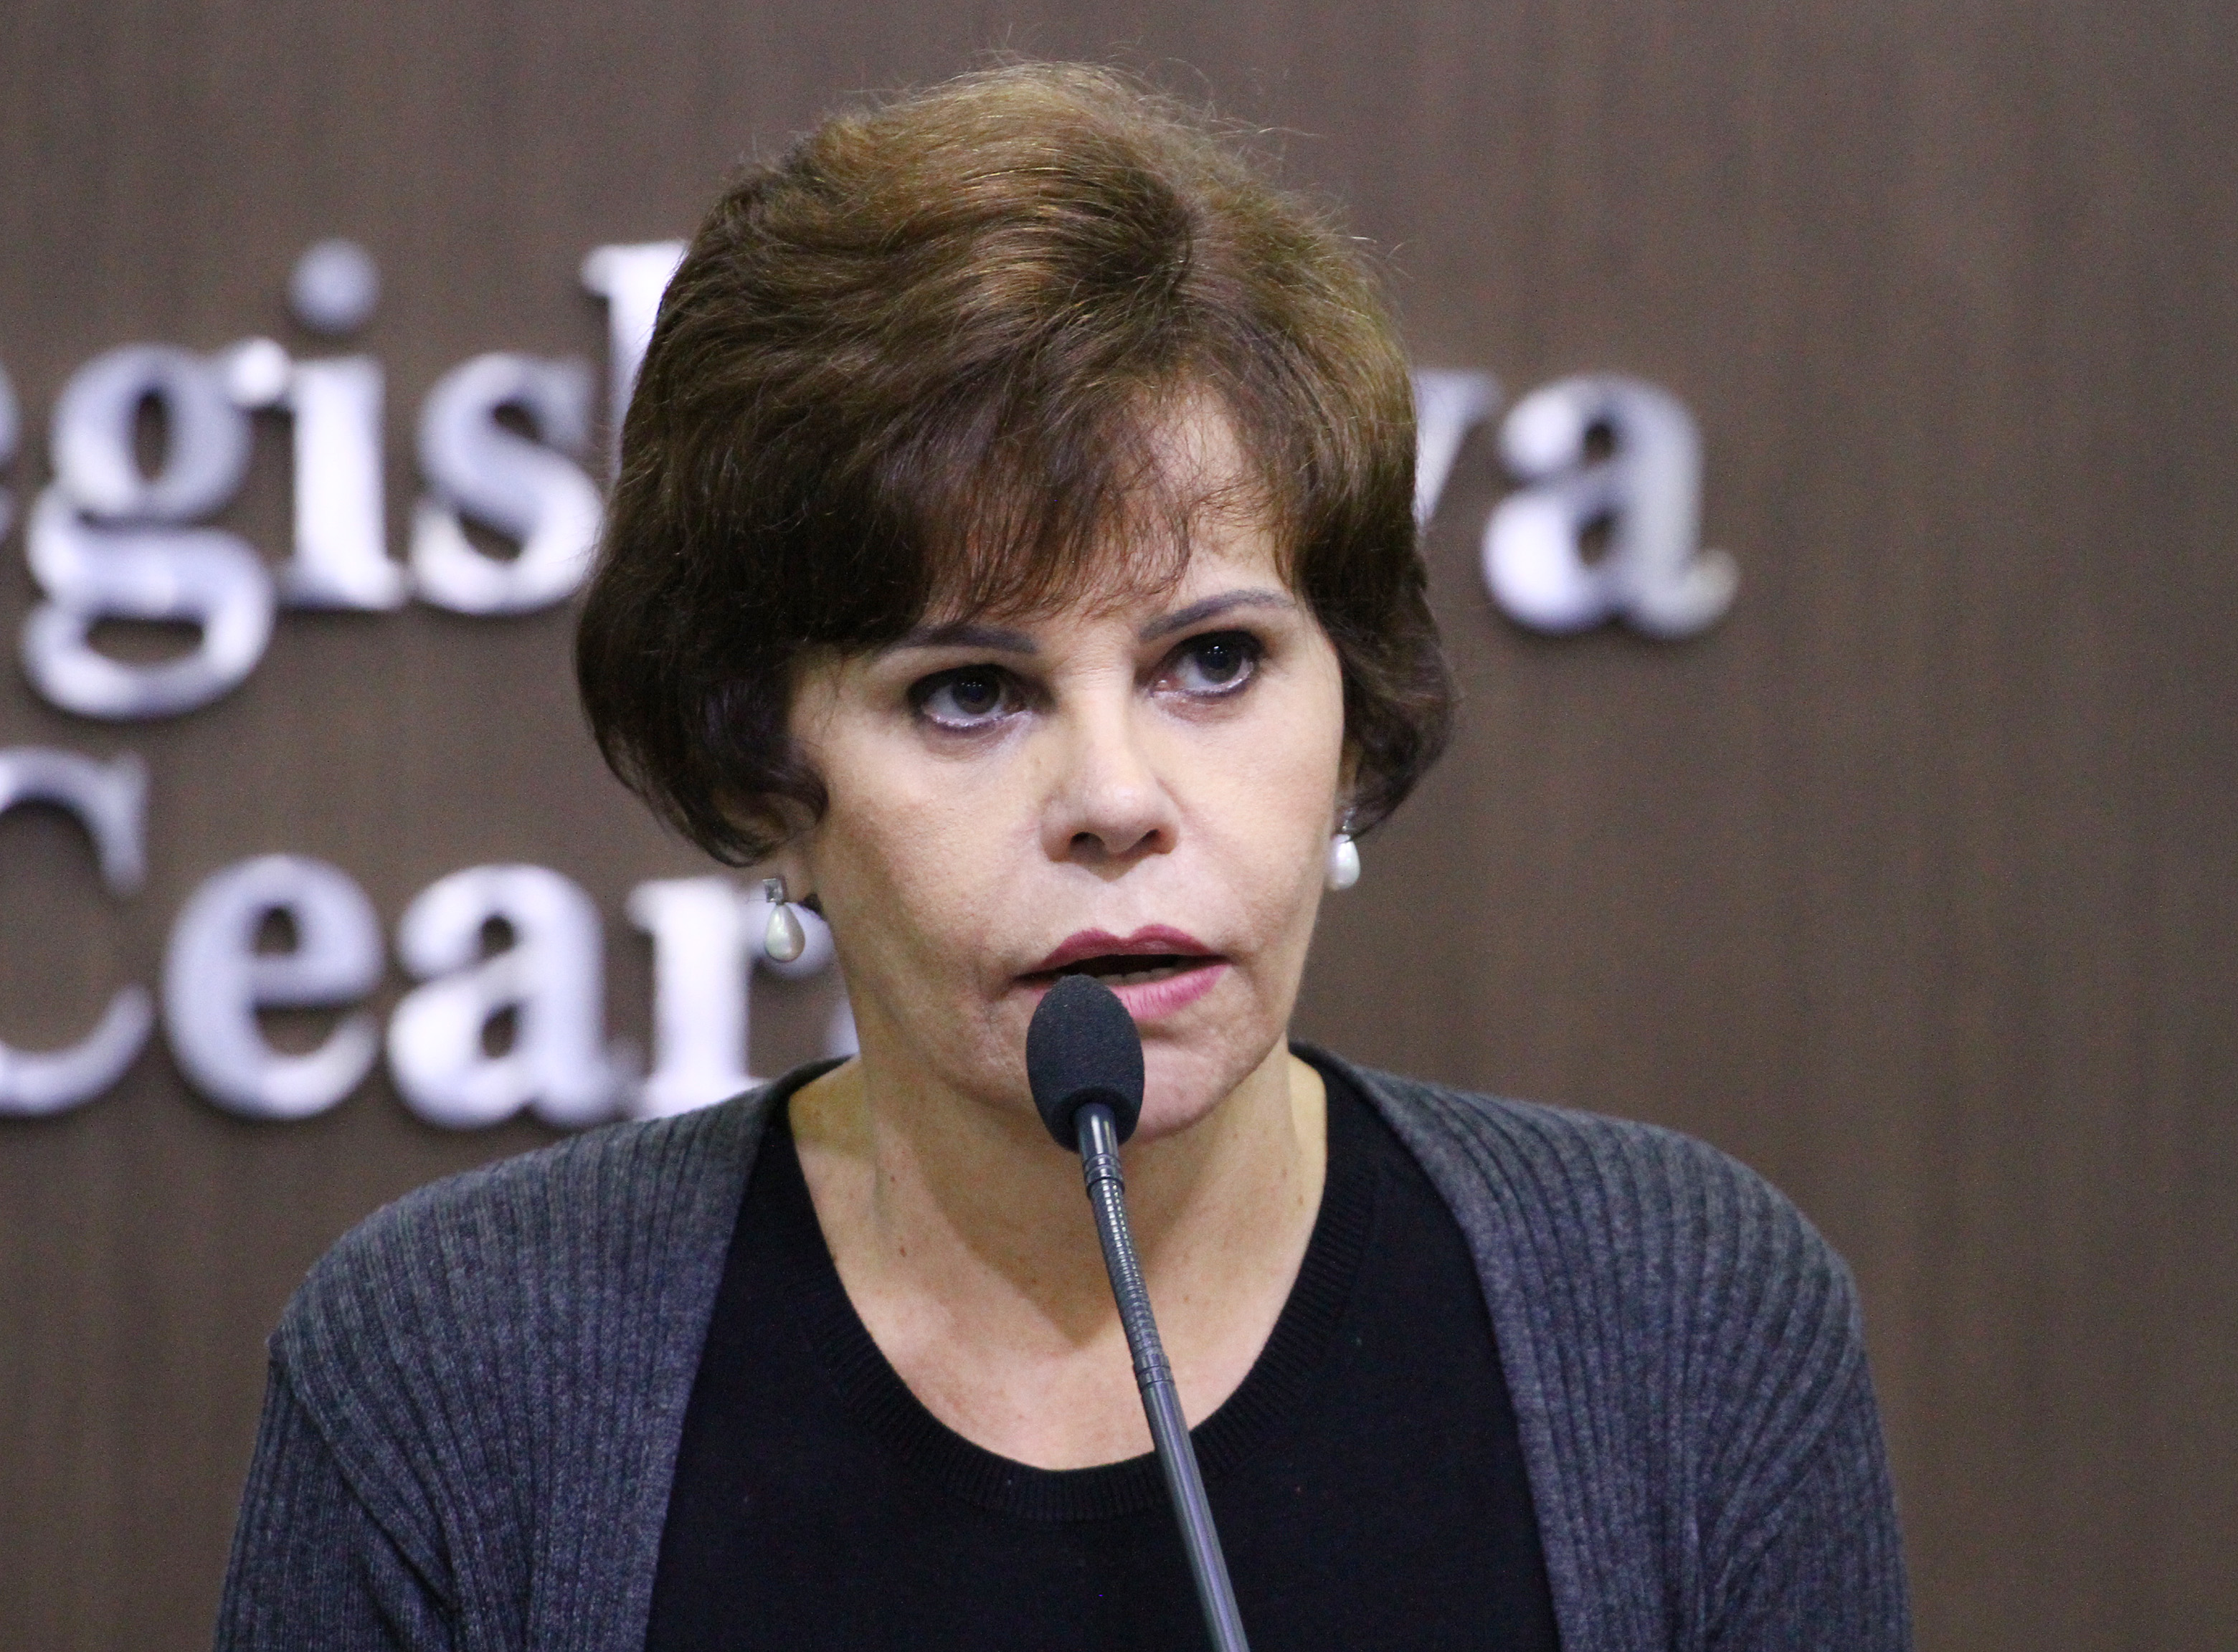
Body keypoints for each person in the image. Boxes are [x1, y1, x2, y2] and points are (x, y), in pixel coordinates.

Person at [216, 63, 1908, 1651]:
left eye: (1215, 662)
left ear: (1352, 708)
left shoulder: (1683, 1330)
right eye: (969, 691)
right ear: (766, 776)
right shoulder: (453, 1378)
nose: (1115, 796)